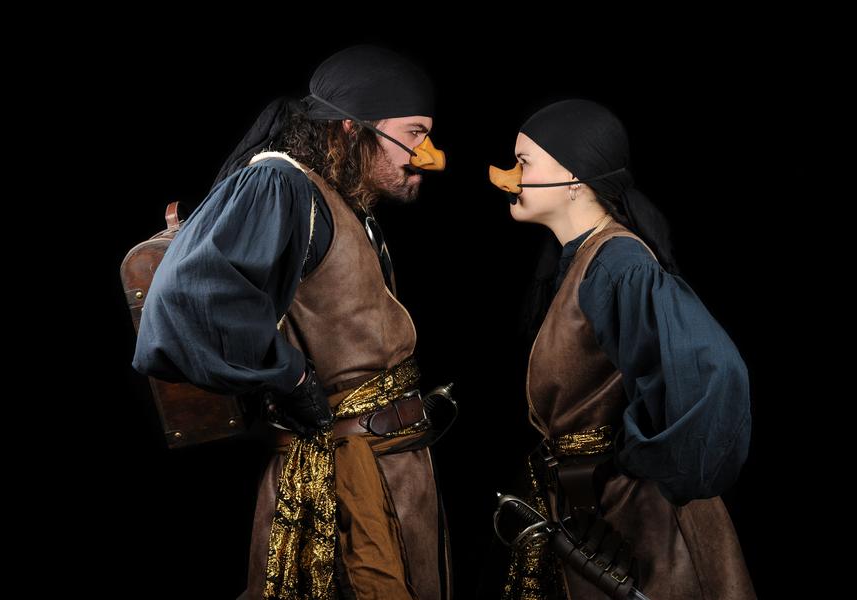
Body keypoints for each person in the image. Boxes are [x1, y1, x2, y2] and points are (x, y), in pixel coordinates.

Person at [132, 44, 452, 600]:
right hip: (340, 479)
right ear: (352, 128)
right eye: (415, 133)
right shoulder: (283, 185)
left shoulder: (344, 201)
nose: (429, 155)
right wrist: (292, 377)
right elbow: (189, 297)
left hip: (394, 467)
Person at [486, 99, 756, 599]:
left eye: (524, 162)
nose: (508, 177)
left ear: (573, 177)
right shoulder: (577, 260)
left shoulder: (620, 264)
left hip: (644, 526)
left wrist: (631, 463)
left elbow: (713, 374)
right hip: (593, 513)